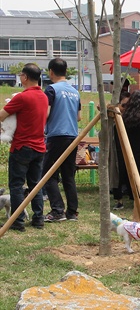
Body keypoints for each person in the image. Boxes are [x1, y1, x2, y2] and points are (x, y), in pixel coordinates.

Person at [0, 63, 47, 231]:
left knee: (16, 184)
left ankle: (17, 221)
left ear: (25, 77)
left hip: (22, 147)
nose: (20, 77)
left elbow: (2, 115)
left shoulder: (21, 97)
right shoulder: (43, 97)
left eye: (21, 75)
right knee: (35, 184)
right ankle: (38, 219)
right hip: (39, 146)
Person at [43, 58, 81, 222]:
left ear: (51, 71)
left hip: (56, 135)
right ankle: (72, 212)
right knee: (68, 175)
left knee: (48, 174)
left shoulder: (51, 89)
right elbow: (78, 117)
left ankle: (57, 211)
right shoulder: (75, 91)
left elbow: (46, 114)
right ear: (66, 71)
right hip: (72, 135)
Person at [111, 91, 130, 210]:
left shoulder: (132, 118)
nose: (126, 109)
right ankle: (119, 200)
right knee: (117, 173)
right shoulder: (112, 120)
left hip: (129, 153)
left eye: (129, 106)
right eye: (123, 105)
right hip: (116, 152)